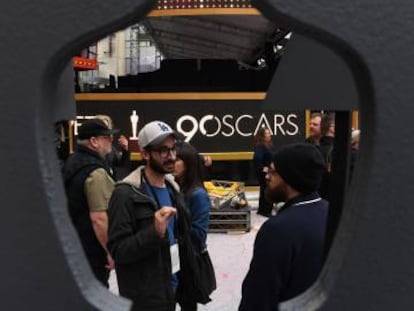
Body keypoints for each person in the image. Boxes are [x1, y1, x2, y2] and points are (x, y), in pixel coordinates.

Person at [107, 121, 196, 311]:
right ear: (145, 154)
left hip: (173, 288)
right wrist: (153, 233)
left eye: (173, 149)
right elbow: (119, 251)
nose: (171, 156)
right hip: (145, 299)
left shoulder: (173, 188)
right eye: (163, 151)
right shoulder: (125, 194)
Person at [239, 143, 328, 311]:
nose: (267, 175)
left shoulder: (278, 229)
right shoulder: (333, 213)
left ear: (290, 177)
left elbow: (259, 298)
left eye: (272, 171)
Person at [62, 118, 117, 287]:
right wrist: (110, 251)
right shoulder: (96, 172)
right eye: (107, 137)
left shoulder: (72, 162)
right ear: (94, 141)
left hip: (74, 246)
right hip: (92, 251)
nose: (111, 141)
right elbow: (99, 218)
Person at [174, 142, 214, 311]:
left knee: (187, 303)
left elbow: (199, 235)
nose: (170, 161)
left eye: (176, 159)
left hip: (188, 261)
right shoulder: (175, 187)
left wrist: (173, 226)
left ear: (188, 163)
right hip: (175, 257)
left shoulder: (197, 195)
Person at [253, 127, 275, 217]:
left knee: (265, 190)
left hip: (268, 171)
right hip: (265, 173)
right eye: (267, 133)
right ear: (262, 136)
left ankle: (263, 210)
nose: (269, 135)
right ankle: (265, 211)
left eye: (269, 133)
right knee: (267, 190)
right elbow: (257, 158)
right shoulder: (261, 146)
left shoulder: (268, 145)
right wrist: (264, 169)